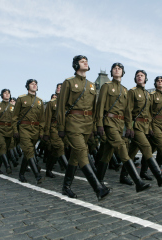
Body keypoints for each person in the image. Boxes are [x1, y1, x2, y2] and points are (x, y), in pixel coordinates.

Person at [57, 55, 111, 200]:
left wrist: (94, 127)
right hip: (73, 123)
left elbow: (93, 108)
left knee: (75, 158)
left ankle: (66, 187)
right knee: (82, 152)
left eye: (86, 61)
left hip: (87, 125)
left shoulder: (92, 85)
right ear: (75, 65)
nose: (85, 62)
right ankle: (98, 188)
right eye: (82, 61)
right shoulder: (68, 82)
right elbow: (61, 107)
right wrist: (61, 126)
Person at [96, 62, 151, 193]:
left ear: (122, 72)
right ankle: (138, 182)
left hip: (120, 125)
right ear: (111, 72)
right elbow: (100, 106)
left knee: (107, 154)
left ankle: (97, 181)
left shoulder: (125, 90)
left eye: (119, 68)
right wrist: (99, 124)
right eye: (114, 68)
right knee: (122, 149)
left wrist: (129, 127)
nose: (117, 70)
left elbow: (127, 111)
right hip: (109, 122)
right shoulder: (106, 86)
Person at [125, 70, 162, 187]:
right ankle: (159, 177)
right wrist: (129, 127)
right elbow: (128, 110)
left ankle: (123, 175)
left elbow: (149, 113)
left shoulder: (147, 94)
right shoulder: (132, 91)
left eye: (142, 76)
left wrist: (150, 127)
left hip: (145, 127)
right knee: (147, 148)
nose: (139, 77)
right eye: (137, 76)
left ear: (145, 79)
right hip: (136, 126)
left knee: (131, 153)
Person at [12, 80, 45, 184]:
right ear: (27, 86)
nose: (34, 85)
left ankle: (21, 174)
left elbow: (42, 119)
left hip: (35, 130)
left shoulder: (40, 101)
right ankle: (37, 175)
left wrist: (41, 131)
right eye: (32, 84)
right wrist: (15, 130)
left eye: (36, 84)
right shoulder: (21, 99)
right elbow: (14, 117)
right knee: (29, 150)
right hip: (24, 128)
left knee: (27, 153)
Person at [43, 83, 68, 178]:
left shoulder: (68, 103)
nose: (59, 89)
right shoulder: (52, 103)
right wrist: (46, 133)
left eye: (61, 87)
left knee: (54, 152)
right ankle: (69, 171)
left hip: (65, 127)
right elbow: (47, 119)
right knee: (60, 147)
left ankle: (48, 169)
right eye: (58, 88)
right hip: (54, 127)